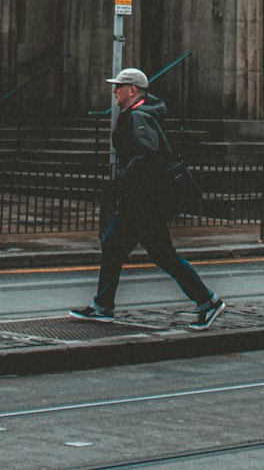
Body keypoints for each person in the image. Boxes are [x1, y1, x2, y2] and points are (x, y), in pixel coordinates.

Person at [70, 68, 224, 329]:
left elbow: (146, 155)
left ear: (133, 91)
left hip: (142, 203)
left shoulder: (138, 117)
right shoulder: (138, 114)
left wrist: (124, 180)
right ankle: (104, 306)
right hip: (142, 202)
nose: (114, 91)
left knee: (140, 252)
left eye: (119, 86)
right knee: (131, 250)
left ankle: (207, 301)